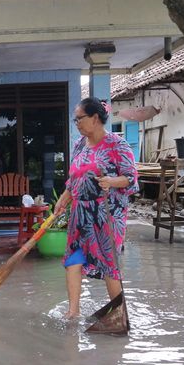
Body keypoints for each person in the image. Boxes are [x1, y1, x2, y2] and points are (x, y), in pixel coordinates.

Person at [53, 97, 138, 319]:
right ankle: (73, 312)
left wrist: (110, 181)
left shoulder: (117, 145)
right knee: (73, 259)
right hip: (80, 213)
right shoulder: (80, 144)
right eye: (75, 120)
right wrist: (63, 198)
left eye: (79, 118)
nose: (77, 123)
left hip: (107, 214)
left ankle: (120, 315)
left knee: (109, 264)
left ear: (95, 118)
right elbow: (74, 179)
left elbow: (131, 178)